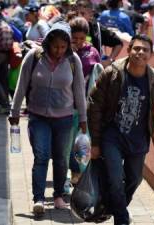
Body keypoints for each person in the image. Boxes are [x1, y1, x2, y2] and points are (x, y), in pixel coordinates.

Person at [88, 34, 154, 225]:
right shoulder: (112, 73)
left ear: (150, 55)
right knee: (115, 178)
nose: (140, 53)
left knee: (134, 180)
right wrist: (95, 142)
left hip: (138, 139)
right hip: (112, 137)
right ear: (128, 51)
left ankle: (110, 207)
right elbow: (94, 105)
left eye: (145, 50)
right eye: (136, 48)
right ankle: (121, 219)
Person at [8, 21, 87, 214]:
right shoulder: (33, 57)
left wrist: (84, 118)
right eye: (55, 46)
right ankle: (39, 199)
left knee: (61, 158)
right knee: (41, 156)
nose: (59, 50)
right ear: (48, 43)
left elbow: (79, 91)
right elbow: (21, 85)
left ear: (68, 45)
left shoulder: (73, 60)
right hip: (38, 117)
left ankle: (59, 195)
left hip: (65, 118)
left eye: (63, 46)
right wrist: (15, 112)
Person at [68, 16, 102, 184]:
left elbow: (99, 74)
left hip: (86, 106)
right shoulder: (64, 52)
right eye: (75, 38)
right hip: (67, 105)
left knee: (83, 142)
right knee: (68, 144)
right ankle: (73, 172)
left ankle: (82, 174)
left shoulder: (93, 52)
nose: (79, 42)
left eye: (82, 38)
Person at [76, 0, 123, 67]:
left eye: (82, 13)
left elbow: (119, 43)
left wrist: (109, 61)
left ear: (91, 14)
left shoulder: (97, 29)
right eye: (76, 13)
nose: (79, 16)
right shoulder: (69, 27)